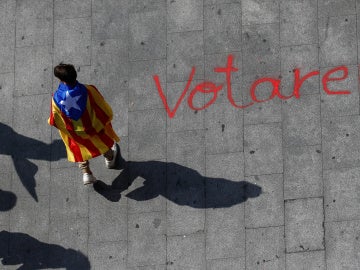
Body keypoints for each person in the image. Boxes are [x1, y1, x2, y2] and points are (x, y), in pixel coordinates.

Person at [48, 64, 120, 185]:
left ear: (62, 81)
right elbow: (100, 105)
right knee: (101, 142)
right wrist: (107, 117)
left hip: (75, 132)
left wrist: (68, 131)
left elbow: (55, 120)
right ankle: (109, 158)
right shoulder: (88, 90)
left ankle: (87, 173)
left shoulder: (56, 99)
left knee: (79, 149)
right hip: (92, 127)